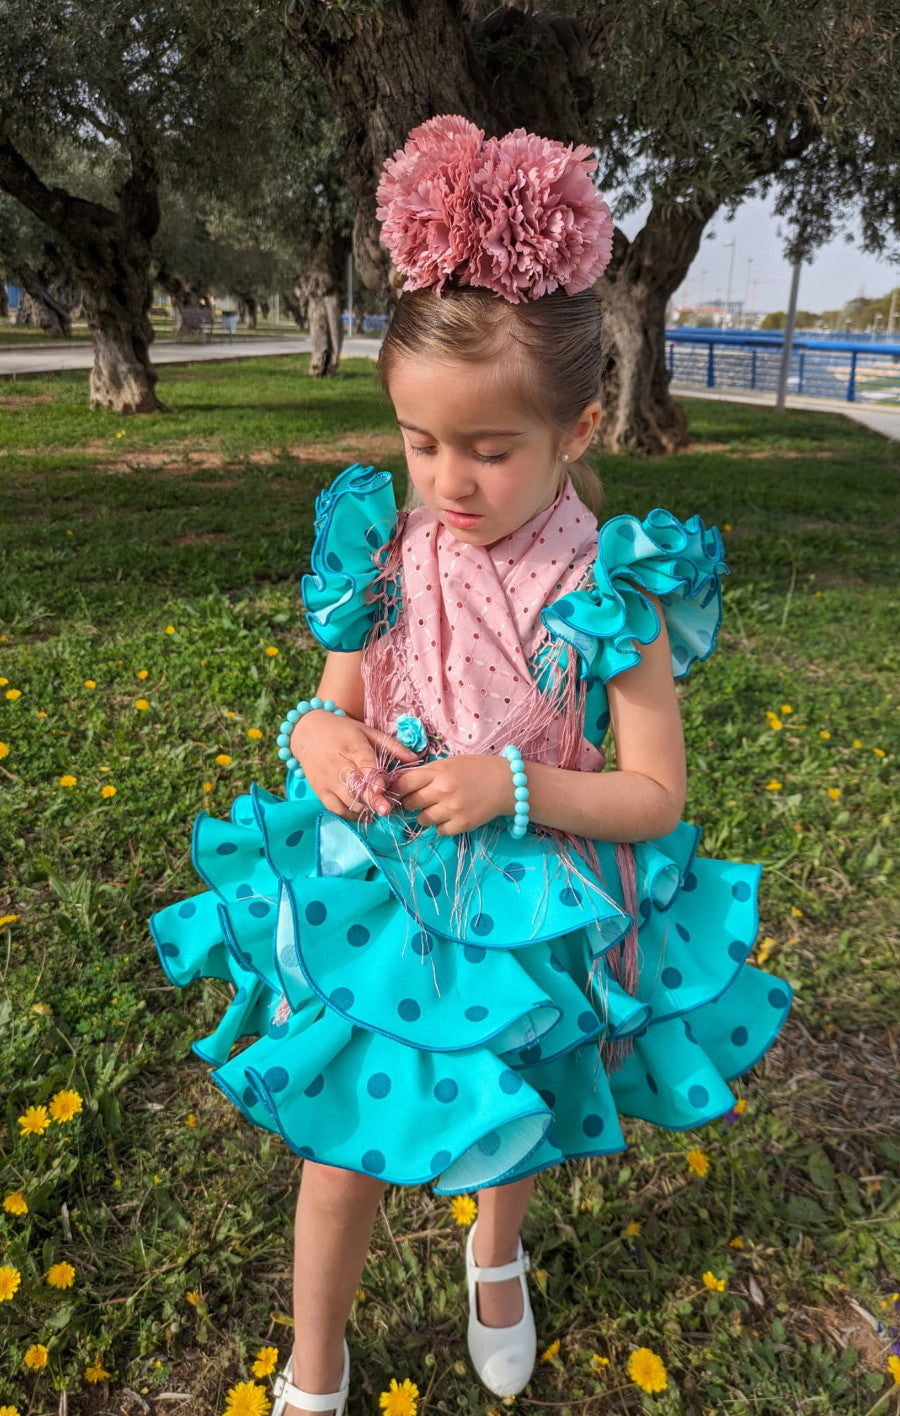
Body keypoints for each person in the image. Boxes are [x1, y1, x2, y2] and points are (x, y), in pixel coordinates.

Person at [149, 115, 792, 1416]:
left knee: (520, 1104)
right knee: (340, 1148)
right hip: (379, 892)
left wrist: (518, 788)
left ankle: (496, 1256)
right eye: (419, 441)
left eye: (489, 449)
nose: (448, 479)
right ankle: (314, 1372)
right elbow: (330, 705)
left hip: (528, 895)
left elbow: (656, 795)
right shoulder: (381, 552)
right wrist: (313, 734)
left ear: (579, 425)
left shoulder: (610, 589)